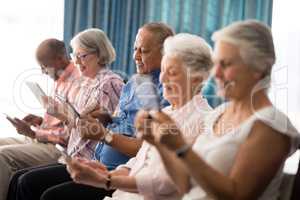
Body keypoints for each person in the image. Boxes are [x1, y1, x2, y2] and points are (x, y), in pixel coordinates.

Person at [136, 20, 300, 200]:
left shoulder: (271, 126)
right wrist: (160, 144)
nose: (216, 74)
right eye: (216, 64)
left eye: (226, 64)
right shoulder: (217, 114)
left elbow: (237, 196)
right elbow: (185, 186)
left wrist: (181, 147)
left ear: (258, 68)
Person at [66, 33, 214, 200]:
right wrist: (113, 172)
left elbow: (168, 183)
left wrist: (107, 180)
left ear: (196, 79)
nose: (162, 78)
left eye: (171, 72)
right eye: (163, 71)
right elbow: (141, 159)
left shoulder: (203, 120)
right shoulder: (166, 113)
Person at [38, 22, 174, 200]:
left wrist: (104, 135)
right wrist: (106, 118)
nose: (136, 56)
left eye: (144, 51)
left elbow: (146, 147)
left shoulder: (166, 93)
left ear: (165, 53)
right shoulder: (134, 83)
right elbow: (121, 121)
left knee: (48, 195)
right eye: (135, 49)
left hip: (118, 173)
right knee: (26, 180)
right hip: (96, 162)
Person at [12, 28, 124, 200]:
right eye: (75, 56)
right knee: (19, 179)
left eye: (82, 56)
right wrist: (58, 116)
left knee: (27, 182)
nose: (77, 62)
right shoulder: (87, 83)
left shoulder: (110, 84)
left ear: (99, 53)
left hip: (89, 161)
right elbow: (76, 125)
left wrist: (64, 115)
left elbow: (98, 132)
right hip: (74, 156)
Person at [0, 38, 80, 200]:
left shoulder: (77, 83)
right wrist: (39, 122)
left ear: (60, 59)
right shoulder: (60, 79)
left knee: (2, 156)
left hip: (58, 147)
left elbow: (71, 133)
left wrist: (34, 133)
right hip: (43, 137)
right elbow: (60, 118)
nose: (43, 71)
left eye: (44, 66)